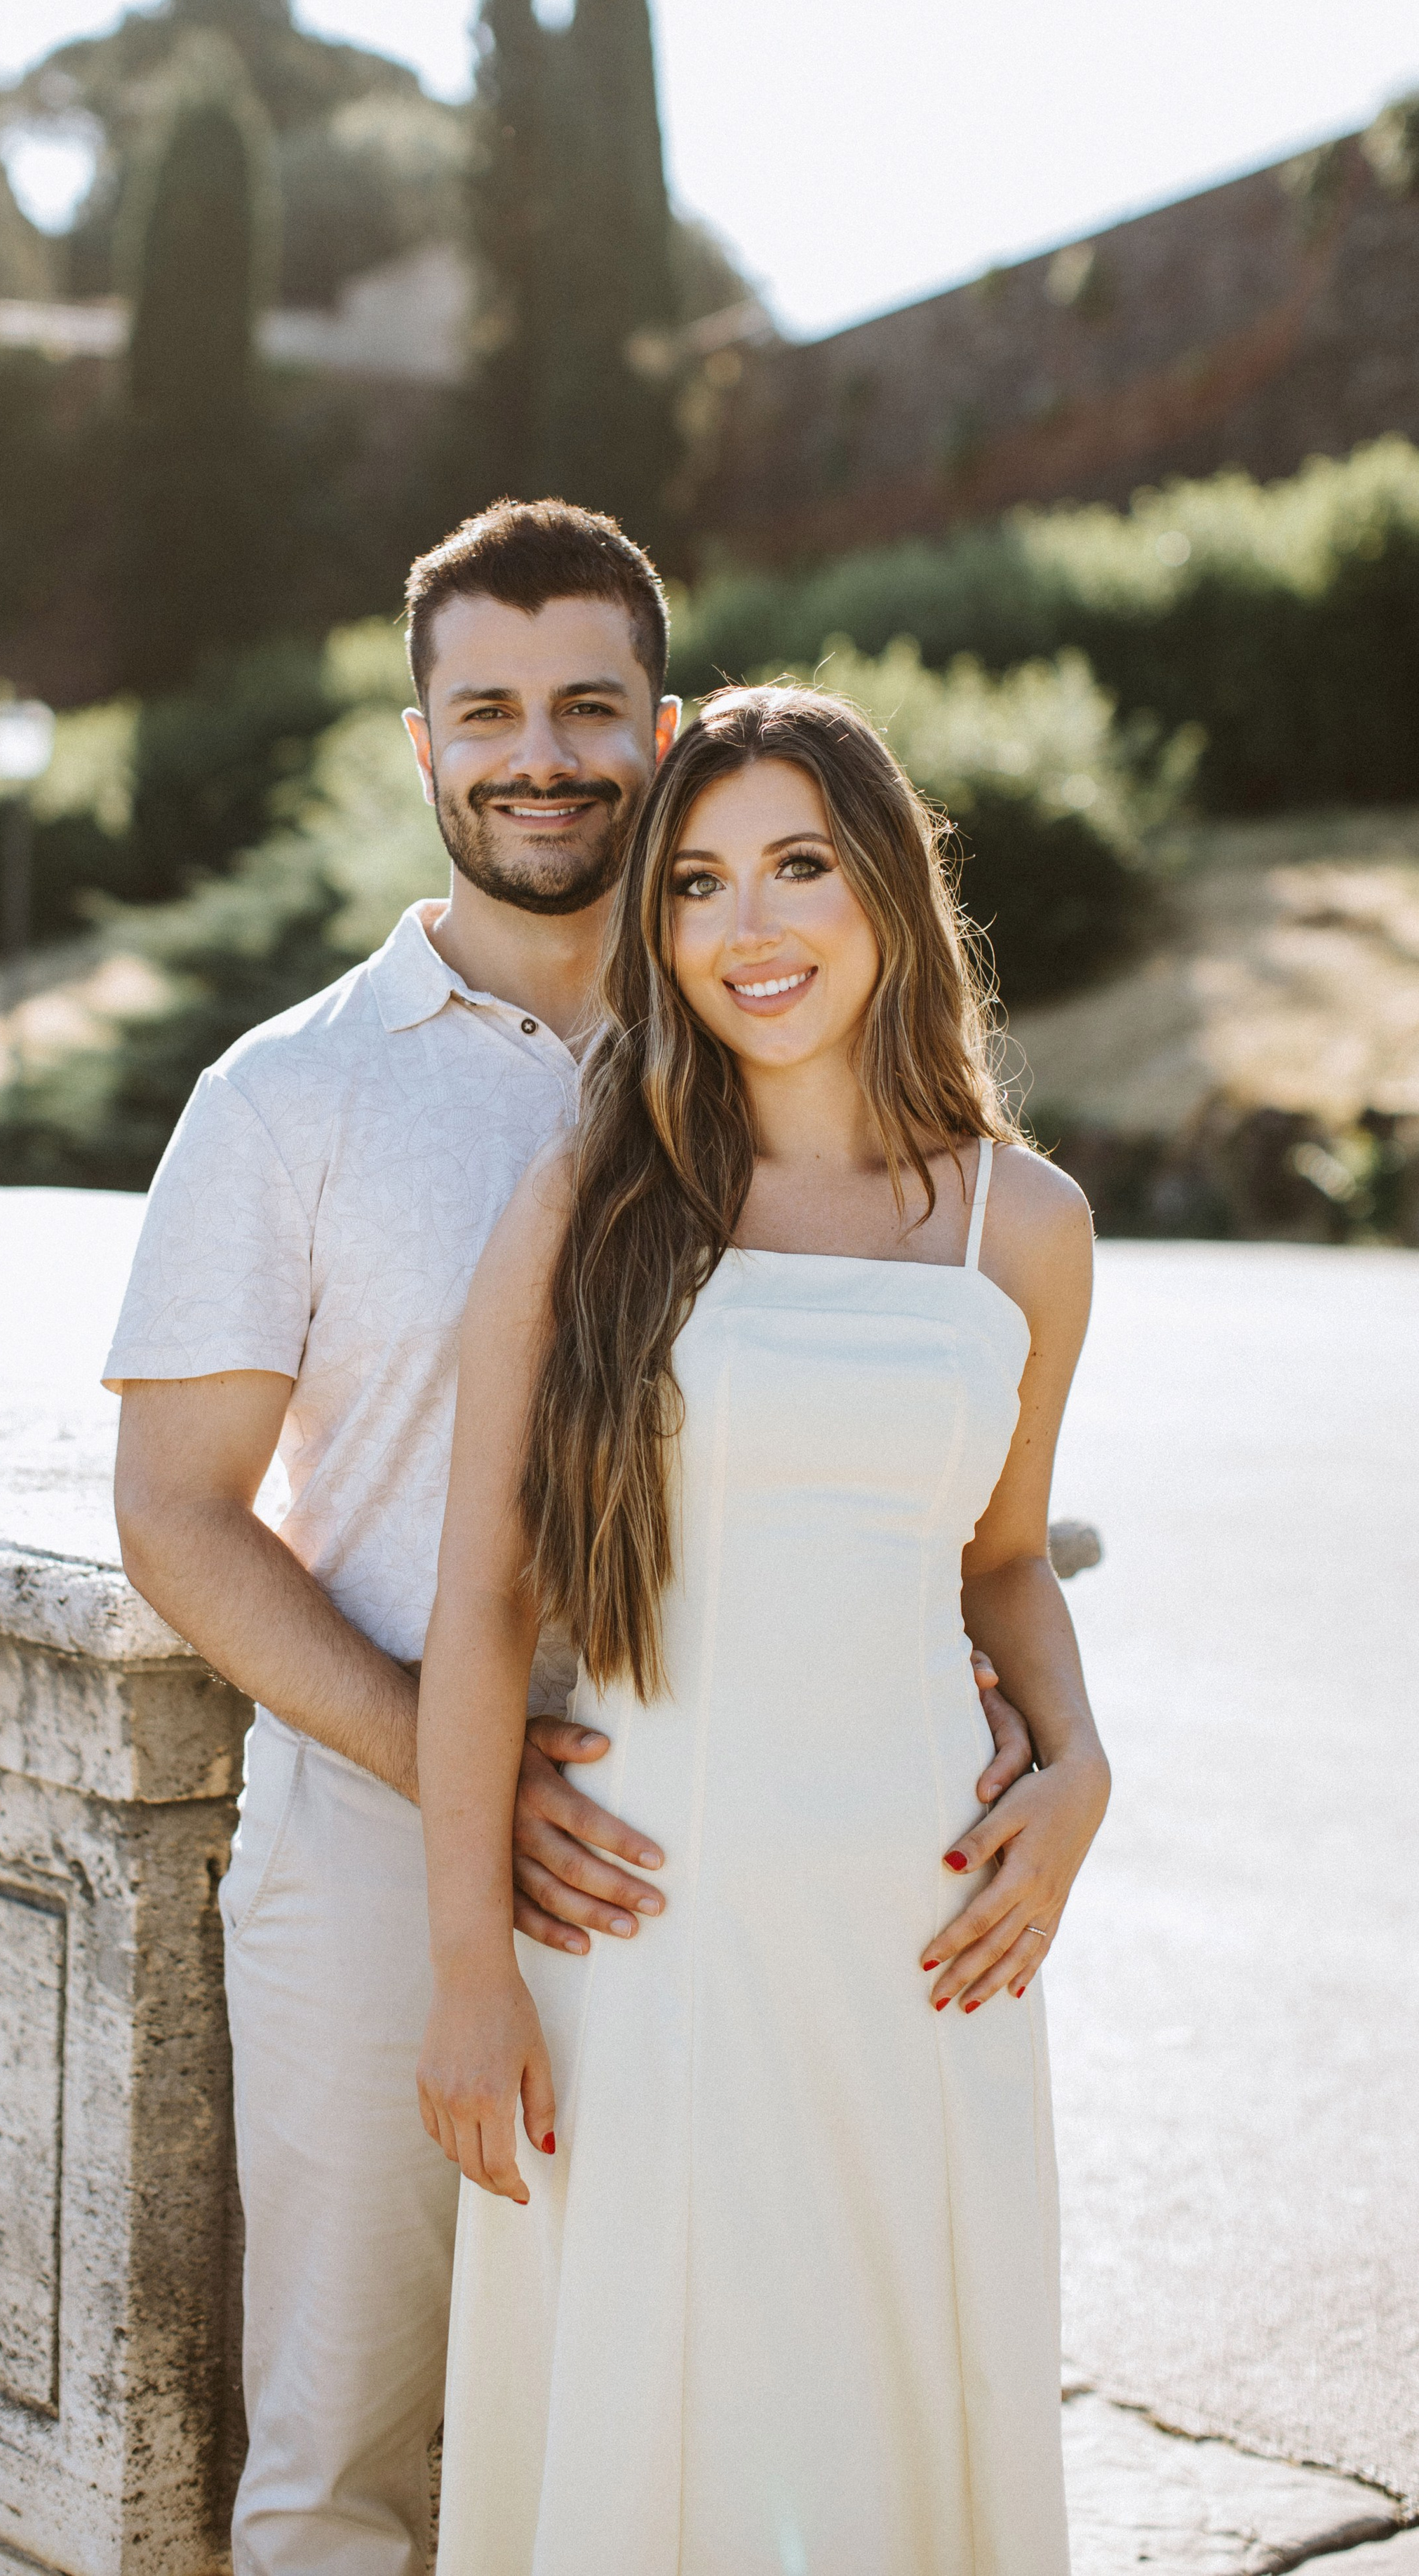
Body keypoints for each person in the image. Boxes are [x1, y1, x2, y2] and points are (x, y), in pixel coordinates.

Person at [106, 507, 1037, 2576]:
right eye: (490, 714)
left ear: (665, 731)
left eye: (591, 708)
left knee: (695, 2425)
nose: (542, 756)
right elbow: (171, 1512)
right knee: (347, 2455)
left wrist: (1046, 1750)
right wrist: (462, 1771)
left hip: (722, 1859)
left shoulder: (764, 1035)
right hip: (383, 1853)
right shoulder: (287, 1098)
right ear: (422, 745)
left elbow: (939, 1474)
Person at [417, 683, 1111, 2575]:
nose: (750, 926)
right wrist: (470, 1967)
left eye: (799, 865)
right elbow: (485, 1599)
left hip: (924, 1939)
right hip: (643, 1931)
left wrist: (1081, 1768)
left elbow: (1005, 1558)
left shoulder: (1025, 1225)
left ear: (885, 886)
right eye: (698, 884)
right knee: (650, 2436)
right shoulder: (591, 1202)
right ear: (659, 931)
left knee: (893, 2421)